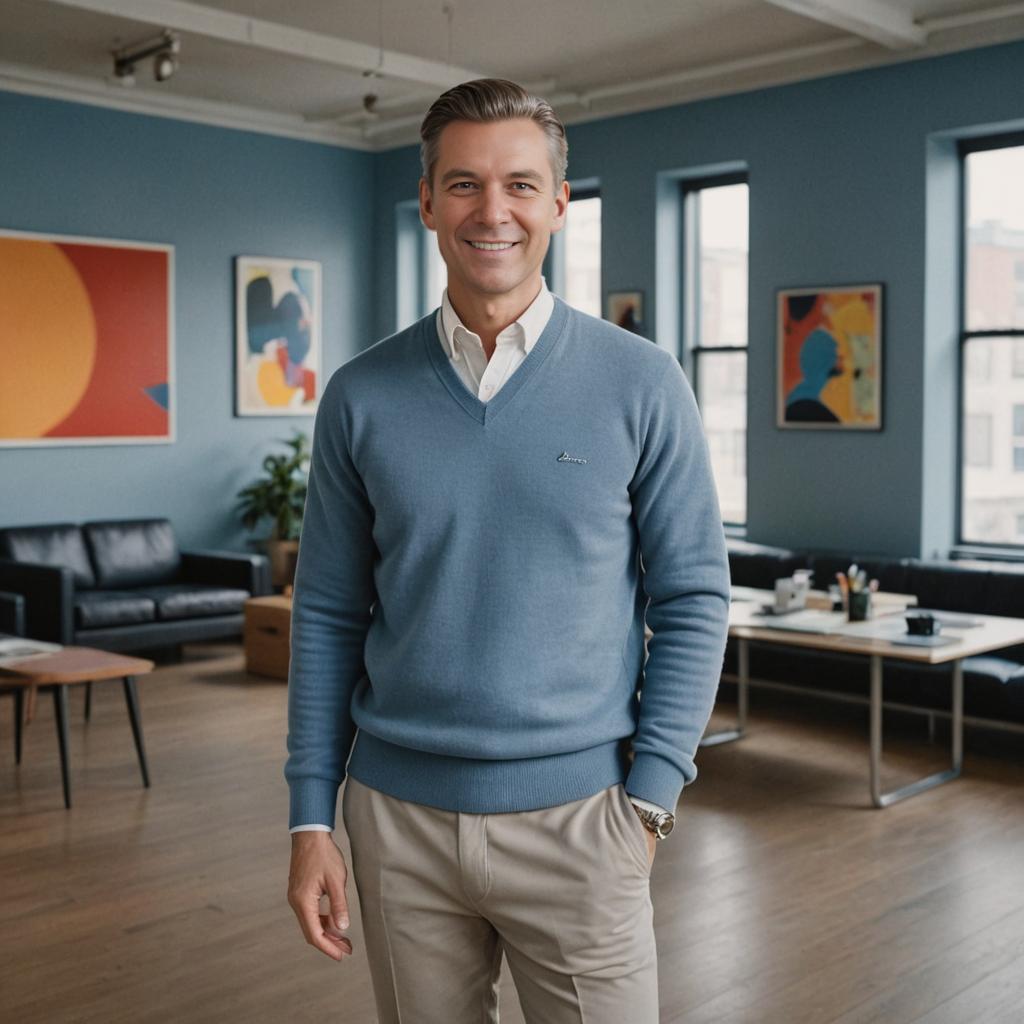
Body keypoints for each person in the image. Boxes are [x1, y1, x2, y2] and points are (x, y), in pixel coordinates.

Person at [285, 78, 730, 1023]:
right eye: (464, 185)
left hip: (585, 824)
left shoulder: (643, 384)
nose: (493, 211)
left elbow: (692, 598)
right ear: (426, 202)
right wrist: (312, 817)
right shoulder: (361, 396)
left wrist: (649, 800)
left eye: (521, 185)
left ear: (560, 204)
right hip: (396, 825)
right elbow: (326, 612)